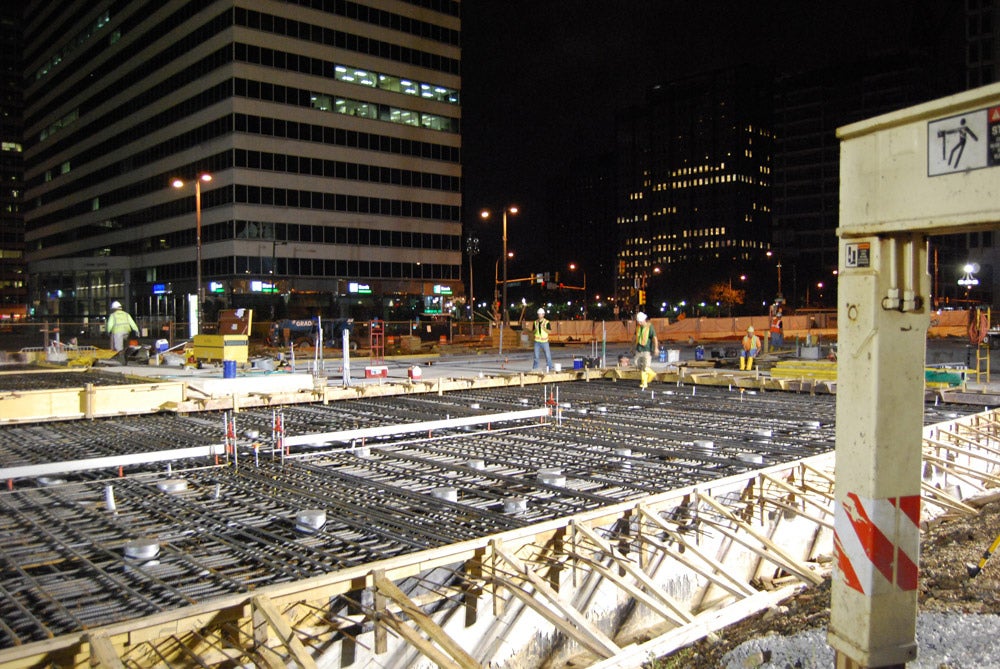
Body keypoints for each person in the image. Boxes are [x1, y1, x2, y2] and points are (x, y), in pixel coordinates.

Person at [634, 311, 658, 388]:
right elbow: (635, 337)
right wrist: (632, 347)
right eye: (638, 321)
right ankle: (649, 377)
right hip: (639, 349)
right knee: (638, 365)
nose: (639, 323)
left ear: (643, 320)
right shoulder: (638, 327)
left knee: (644, 367)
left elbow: (654, 338)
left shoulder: (649, 327)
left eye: (640, 321)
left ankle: (645, 382)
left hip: (646, 350)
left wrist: (656, 348)